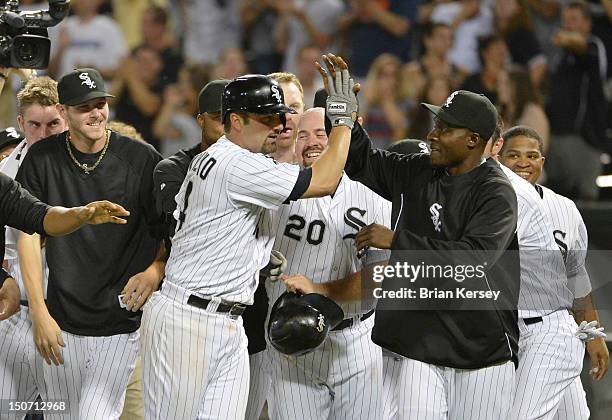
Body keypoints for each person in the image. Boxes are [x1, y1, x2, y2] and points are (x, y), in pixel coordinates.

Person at [141, 54, 358, 419]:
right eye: (267, 117)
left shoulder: (221, 157)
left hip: (227, 321)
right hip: (187, 322)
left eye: (281, 114)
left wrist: (254, 254)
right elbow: (324, 181)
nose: (279, 124)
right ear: (236, 121)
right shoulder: (237, 163)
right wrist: (344, 123)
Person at [327, 85, 520, 419]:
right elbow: (366, 164)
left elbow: (472, 261)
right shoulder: (419, 170)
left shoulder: (496, 192)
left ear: (472, 140)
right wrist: (344, 121)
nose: (433, 135)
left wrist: (398, 241)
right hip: (422, 343)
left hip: (479, 349)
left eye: (445, 129)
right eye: (436, 125)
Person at [16, 67, 167, 420]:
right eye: (85, 107)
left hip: (119, 321)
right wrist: (39, 311)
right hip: (61, 319)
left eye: (101, 104)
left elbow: (170, 229)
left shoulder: (140, 159)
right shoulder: (43, 158)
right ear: (64, 112)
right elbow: (29, 232)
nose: (96, 113)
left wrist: (155, 269)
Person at [259, 107, 391, 420]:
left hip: (355, 341)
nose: (311, 142)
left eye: (321, 133)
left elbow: (380, 279)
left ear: (339, 140)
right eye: (302, 135)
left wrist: (320, 290)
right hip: (289, 342)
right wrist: (262, 264)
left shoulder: (374, 196)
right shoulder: (277, 190)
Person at [496, 125, 609, 419]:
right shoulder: (490, 202)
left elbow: (577, 278)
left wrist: (594, 335)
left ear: (543, 162)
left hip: (547, 326)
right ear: (498, 157)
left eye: (532, 155)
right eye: (514, 155)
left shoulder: (565, 208)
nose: (523, 162)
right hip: (509, 332)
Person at [0, 76, 69, 418]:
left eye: (53, 123)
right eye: (35, 125)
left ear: (66, 117)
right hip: (13, 316)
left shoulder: (85, 170)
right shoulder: (4, 173)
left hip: (68, 316)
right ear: (20, 124)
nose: (44, 134)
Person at [545, 1, 608, 200]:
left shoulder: (594, 46)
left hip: (585, 140)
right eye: (566, 21)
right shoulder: (561, 56)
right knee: (558, 205)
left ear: (588, 24)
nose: (569, 25)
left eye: (574, 20)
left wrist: (566, 38)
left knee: (587, 209)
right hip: (558, 139)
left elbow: (581, 46)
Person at [268, 72, 306, 164]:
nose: (287, 116)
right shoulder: (244, 163)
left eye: (293, 106)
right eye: (278, 107)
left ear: (304, 110)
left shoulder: (319, 161)